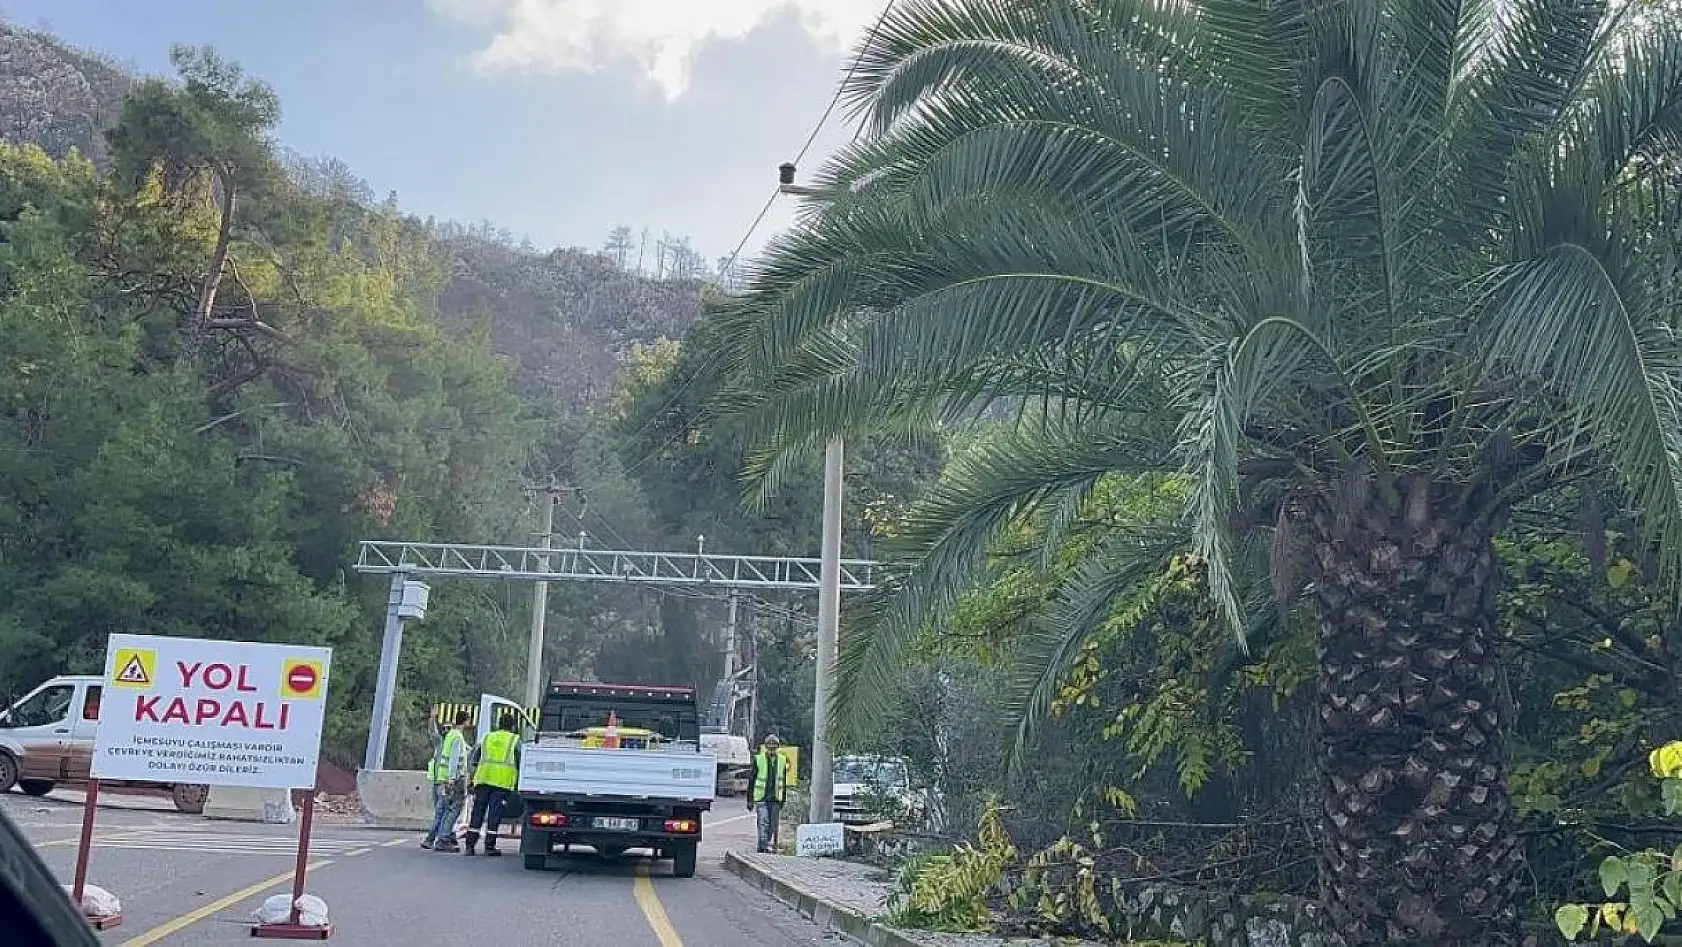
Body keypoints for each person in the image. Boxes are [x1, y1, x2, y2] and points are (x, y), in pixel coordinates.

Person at [463, 713, 522, 857]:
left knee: (477, 812)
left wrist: (472, 779)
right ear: (513, 726)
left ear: (498, 723)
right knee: (494, 815)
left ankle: (470, 846)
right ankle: (489, 846)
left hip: (483, 780)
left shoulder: (487, 737)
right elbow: (521, 761)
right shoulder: (514, 740)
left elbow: (475, 759)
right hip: (501, 783)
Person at [422, 708, 473, 851]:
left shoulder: (450, 739)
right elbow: (454, 760)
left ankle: (442, 837)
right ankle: (438, 838)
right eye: (444, 728)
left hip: (443, 780)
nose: (445, 730)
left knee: (444, 810)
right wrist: (452, 778)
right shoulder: (446, 740)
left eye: (448, 728)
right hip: (445, 781)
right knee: (445, 810)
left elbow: (468, 751)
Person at [746, 734, 788, 854]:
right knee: (763, 822)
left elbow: (783, 781)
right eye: (769, 747)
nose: (771, 750)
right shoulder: (758, 759)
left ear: (777, 747)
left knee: (772, 825)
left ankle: (766, 843)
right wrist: (749, 799)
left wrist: (783, 798)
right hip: (761, 797)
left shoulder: (782, 760)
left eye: (774, 747)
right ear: (765, 747)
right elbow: (752, 780)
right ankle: (762, 846)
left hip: (775, 798)